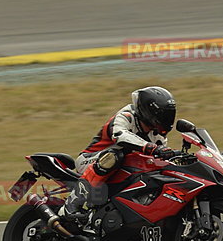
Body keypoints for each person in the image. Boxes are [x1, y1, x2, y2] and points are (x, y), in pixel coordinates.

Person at [60, 86, 179, 224]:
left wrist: (172, 156)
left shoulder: (157, 133)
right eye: (163, 115)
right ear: (148, 111)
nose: (167, 119)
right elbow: (120, 136)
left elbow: (158, 156)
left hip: (121, 167)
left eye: (170, 114)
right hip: (91, 160)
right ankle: (70, 206)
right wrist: (151, 148)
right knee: (115, 156)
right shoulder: (127, 116)